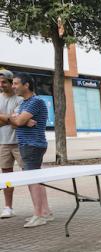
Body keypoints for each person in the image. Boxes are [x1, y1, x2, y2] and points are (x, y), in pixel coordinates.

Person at [9, 73, 53, 228]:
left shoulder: (35, 101)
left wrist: (20, 120)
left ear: (26, 85)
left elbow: (18, 120)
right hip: (28, 144)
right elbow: (15, 123)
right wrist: (21, 121)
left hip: (32, 145)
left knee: (33, 180)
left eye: (15, 83)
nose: (13, 86)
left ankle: (39, 215)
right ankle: (45, 211)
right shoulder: (23, 103)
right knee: (36, 179)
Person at [0, 69, 23, 219]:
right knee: (7, 176)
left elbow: (17, 123)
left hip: (20, 142)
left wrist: (7, 120)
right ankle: (8, 207)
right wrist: (10, 118)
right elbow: (12, 120)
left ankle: (39, 207)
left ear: (10, 82)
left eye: (4, 82)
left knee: (31, 173)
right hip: (2, 143)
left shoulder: (19, 100)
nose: (1, 84)